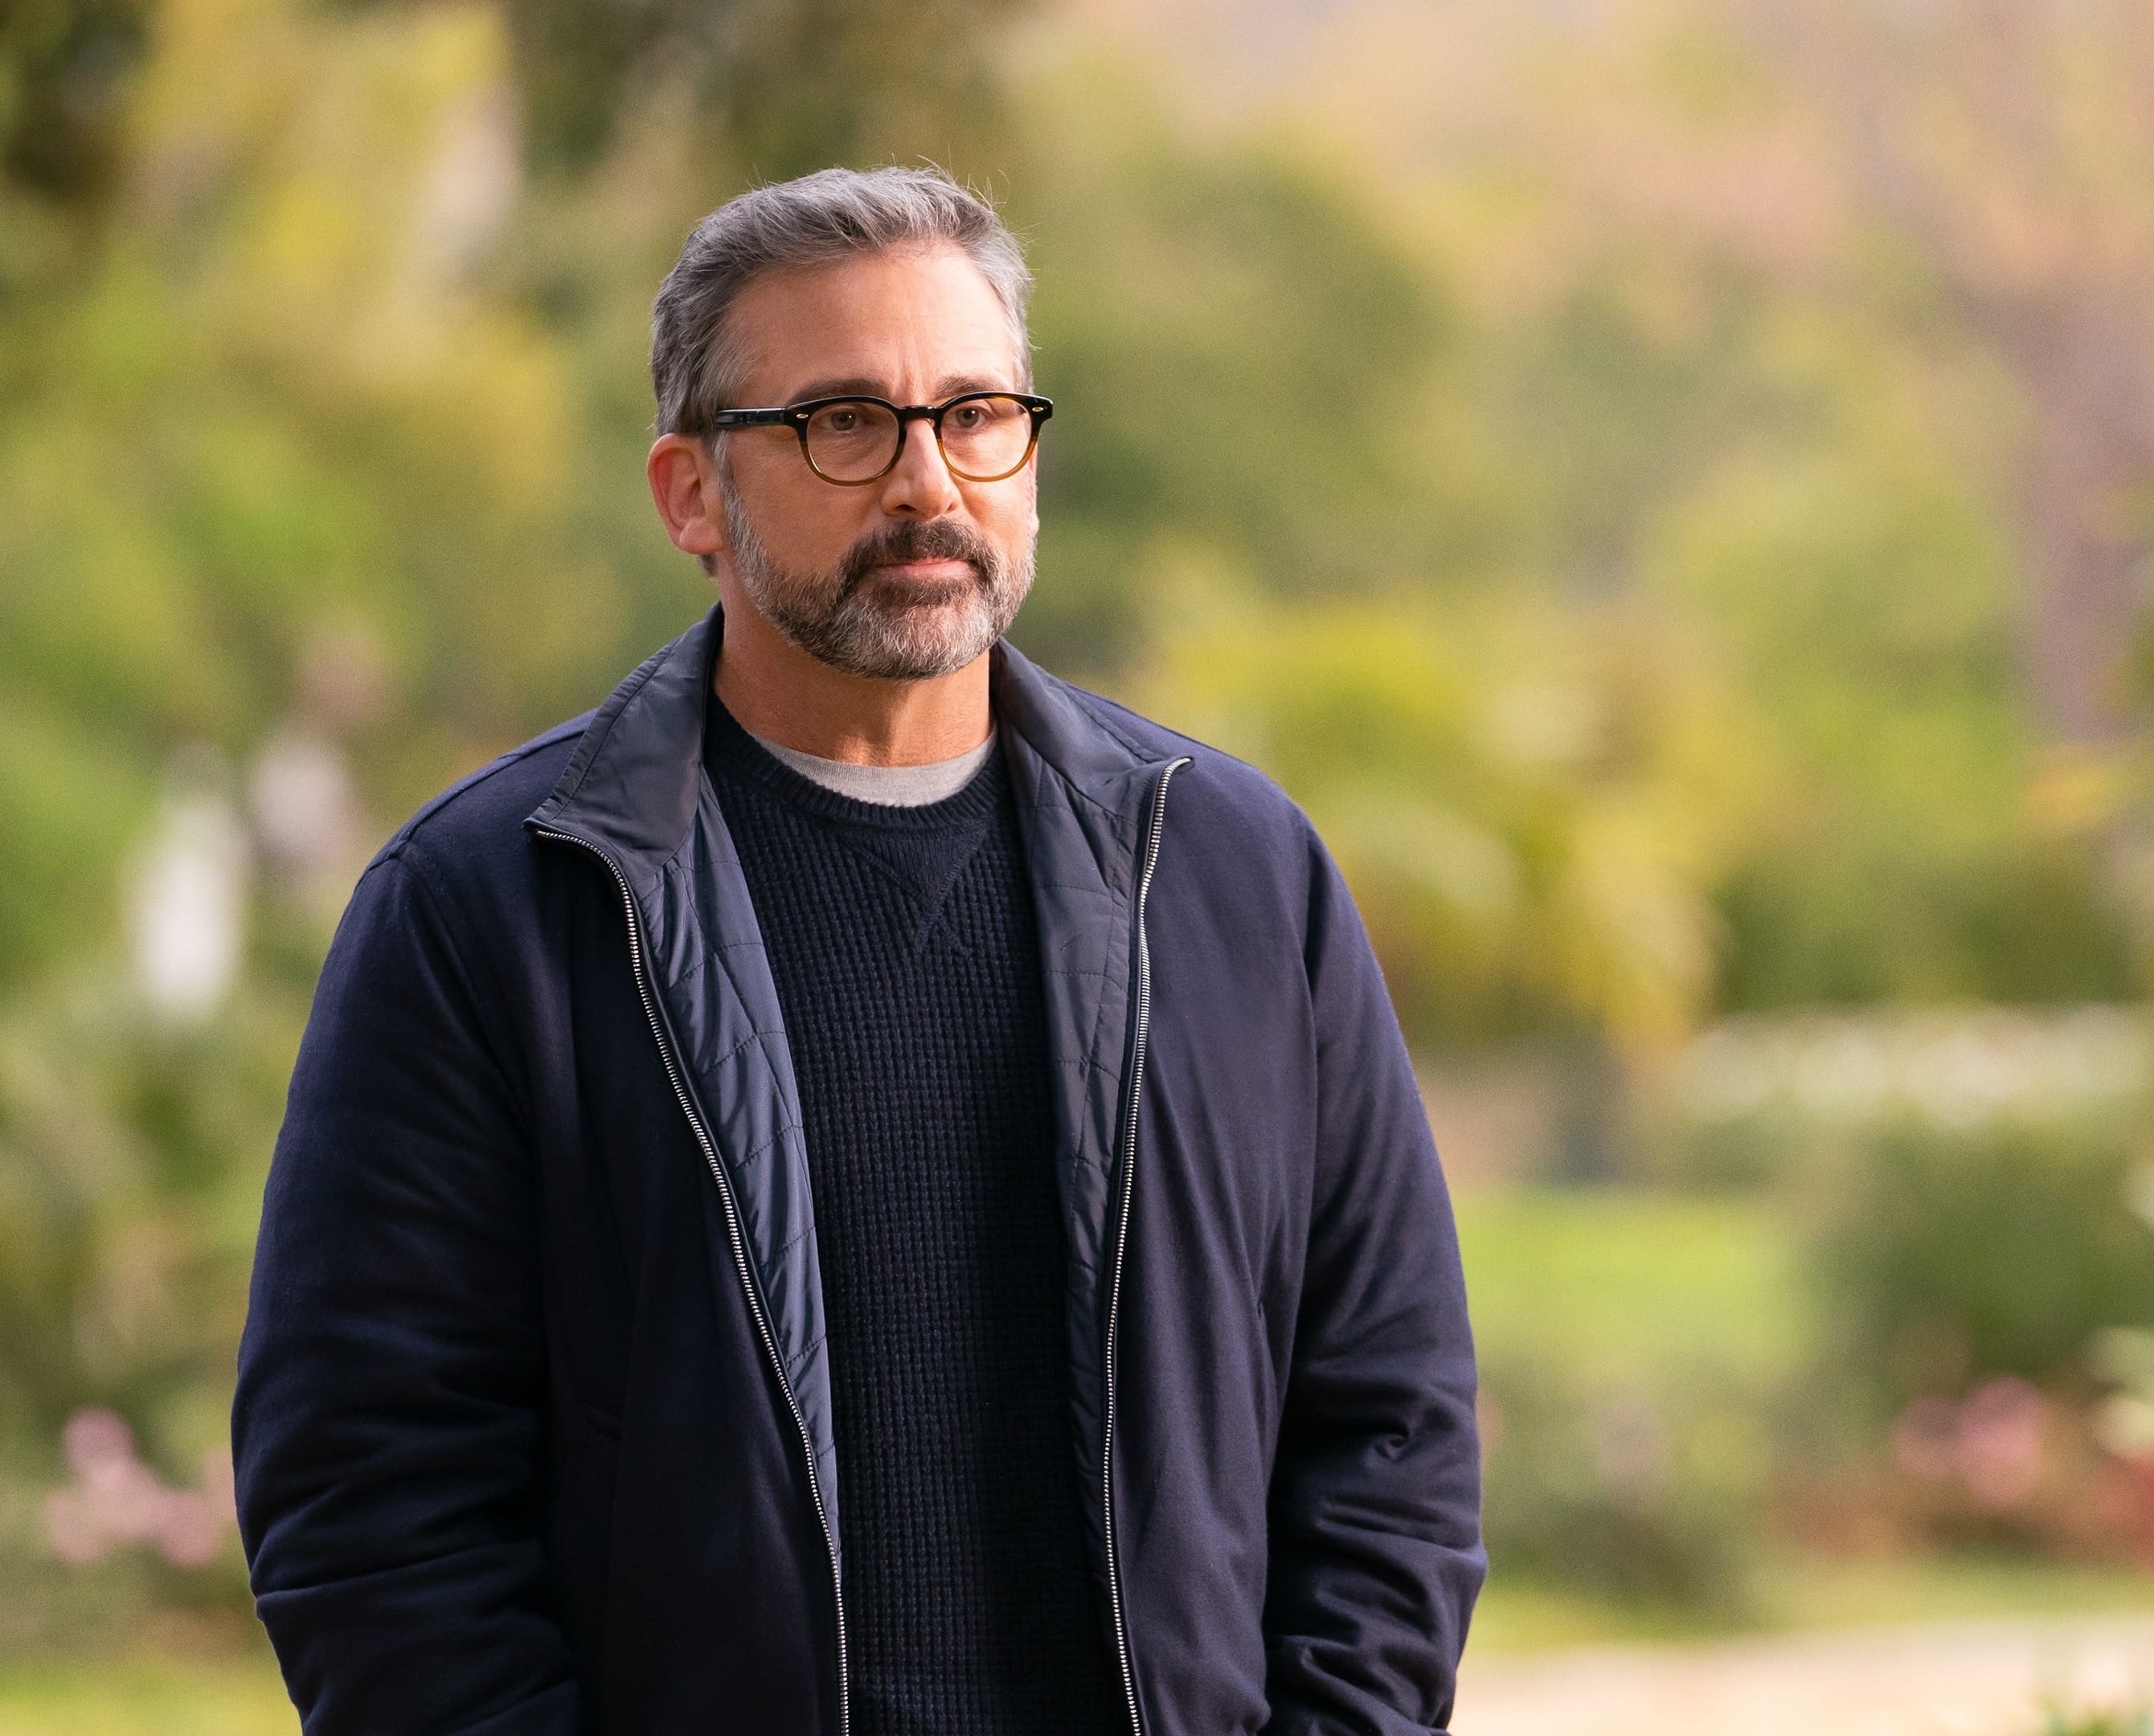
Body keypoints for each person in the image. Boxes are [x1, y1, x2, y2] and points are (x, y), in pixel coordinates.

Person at [231, 165, 1486, 1736]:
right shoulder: (491, 908)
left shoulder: (1236, 877)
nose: (925, 483)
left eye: (975, 415)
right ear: (690, 493)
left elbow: (1389, 1426)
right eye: (843, 423)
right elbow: (369, 1492)